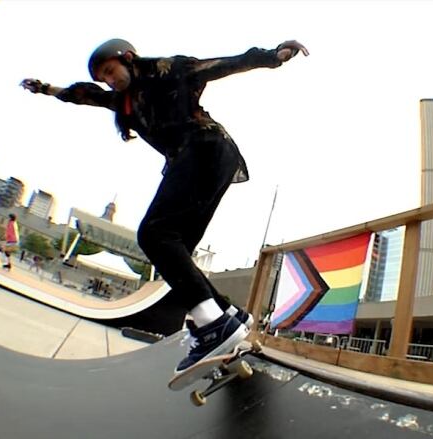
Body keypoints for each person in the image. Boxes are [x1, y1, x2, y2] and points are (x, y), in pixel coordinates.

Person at [20, 38, 308, 372]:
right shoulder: (123, 102)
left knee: (154, 235)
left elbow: (220, 65)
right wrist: (45, 89)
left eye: (111, 71)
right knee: (176, 252)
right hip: (209, 160)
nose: (110, 81)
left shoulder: (166, 69)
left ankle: (212, 324)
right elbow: (82, 94)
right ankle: (229, 316)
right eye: (105, 78)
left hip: (203, 148)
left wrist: (273, 56)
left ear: (127, 58)